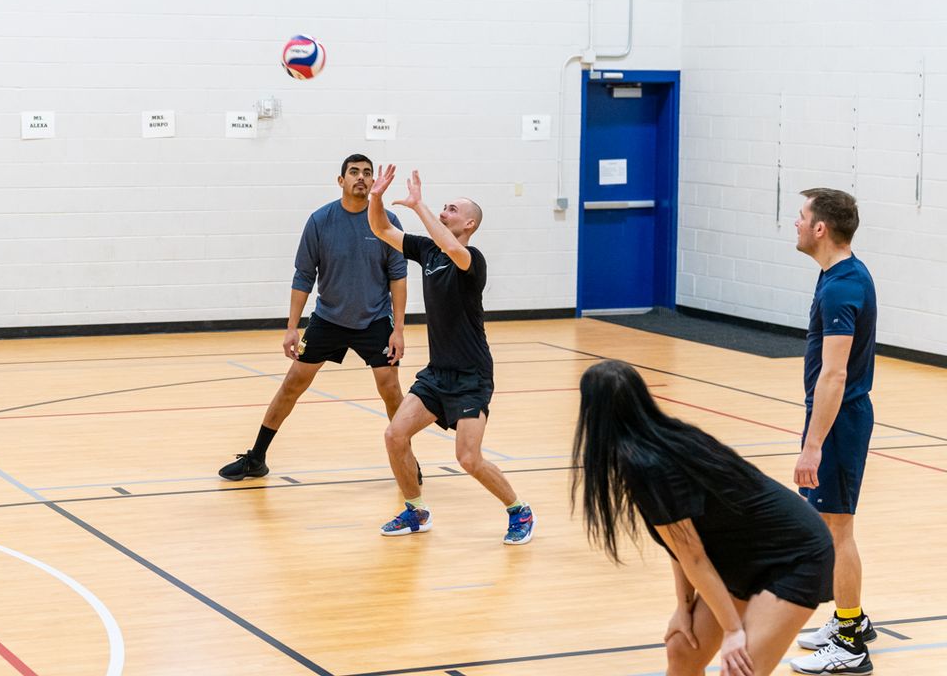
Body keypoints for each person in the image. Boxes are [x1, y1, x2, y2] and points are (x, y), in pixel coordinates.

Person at [572, 359, 835, 676]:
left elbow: (692, 555)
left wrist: (732, 631)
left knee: (740, 670)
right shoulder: (641, 454)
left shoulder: (652, 460)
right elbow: (682, 543)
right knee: (683, 649)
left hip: (795, 555)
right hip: (740, 556)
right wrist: (683, 608)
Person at [367, 165, 534, 545]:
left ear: (470, 222)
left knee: (469, 459)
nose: (444, 212)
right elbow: (381, 230)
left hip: (472, 375)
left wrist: (419, 205)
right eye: (442, 207)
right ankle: (416, 510)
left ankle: (519, 510)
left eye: (452, 209)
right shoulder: (427, 250)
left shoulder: (471, 260)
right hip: (437, 373)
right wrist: (376, 198)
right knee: (395, 435)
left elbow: (453, 248)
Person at [217, 154, 409, 481]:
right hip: (328, 319)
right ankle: (257, 458)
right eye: (354, 172)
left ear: (374, 181)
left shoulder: (387, 221)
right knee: (293, 384)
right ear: (341, 181)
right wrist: (292, 327)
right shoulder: (321, 221)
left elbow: (398, 276)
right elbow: (303, 276)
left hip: (375, 320)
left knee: (390, 389)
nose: (360, 178)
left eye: (367, 173)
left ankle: (406, 461)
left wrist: (399, 330)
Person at [788, 188, 878, 675]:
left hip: (839, 423)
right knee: (831, 529)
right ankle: (854, 620)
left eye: (801, 217)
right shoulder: (839, 276)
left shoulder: (843, 285)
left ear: (821, 228)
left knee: (837, 531)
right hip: (836, 419)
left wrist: (813, 446)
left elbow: (835, 374)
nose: (795, 224)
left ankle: (850, 644)